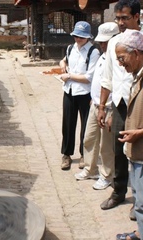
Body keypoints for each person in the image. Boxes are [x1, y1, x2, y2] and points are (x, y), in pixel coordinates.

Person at [97, 0, 141, 214]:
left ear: (136, 17)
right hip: (120, 103)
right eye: (118, 18)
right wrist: (102, 107)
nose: (121, 22)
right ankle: (118, 192)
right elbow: (108, 78)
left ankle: (139, 201)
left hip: (140, 103)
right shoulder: (114, 42)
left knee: (139, 152)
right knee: (119, 151)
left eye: (125, 18)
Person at [75, 22, 119, 190]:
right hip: (95, 105)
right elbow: (97, 80)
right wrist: (94, 99)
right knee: (89, 138)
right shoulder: (102, 56)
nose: (102, 45)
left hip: (108, 108)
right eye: (100, 42)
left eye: (105, 42)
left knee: (106, 146)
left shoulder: (117, 59)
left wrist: (107, 107)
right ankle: (90, 168)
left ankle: (107, 175)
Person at [59, 21, 100, 170]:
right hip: (69, 91)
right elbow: (65, 60)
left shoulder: (93, 52)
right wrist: (62, 64)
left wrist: (69, 76)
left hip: (85, 93)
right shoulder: (71, 48)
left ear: (88, 37)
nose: (78, 39)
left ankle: (84, 154)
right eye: (76, 36)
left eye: (81, 37)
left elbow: (89, 77)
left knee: (85, 125)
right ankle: (66, 154)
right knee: (68, 124)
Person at [114, 29, 143, 240]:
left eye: (122, 58)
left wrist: (139, 132)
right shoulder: (137, 76)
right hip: (136, 152)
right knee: (140, 200)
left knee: (142, 203)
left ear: (137, 54)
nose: (120, 63)